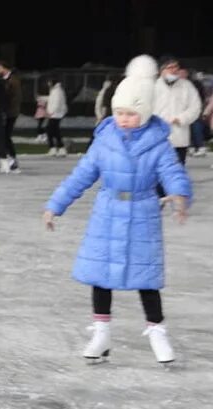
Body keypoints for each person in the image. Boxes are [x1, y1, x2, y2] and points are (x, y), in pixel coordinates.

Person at [43, 55, 192, 366]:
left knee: (146, 278)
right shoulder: (105, 140)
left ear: (146, 112)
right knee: (101, 276)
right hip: (107, 212)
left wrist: (179, 193)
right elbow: (81, 175)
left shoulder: (158, 142)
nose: (124, 119)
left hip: (143, 213)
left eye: (132, 114)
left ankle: (156, 331)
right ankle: (101, 334)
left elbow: (172, 172)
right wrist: (56, 205)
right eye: (120, 112)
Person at [45, 76, 68, 156]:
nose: (48, 84)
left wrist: (50, 112)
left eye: (49, 82)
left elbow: (57, 103)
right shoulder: (55, 90)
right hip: (55, 114)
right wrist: (43, 99)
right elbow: (52, 100)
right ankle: (59, 148)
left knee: (50, 131)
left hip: (56, 114)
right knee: (55, 131)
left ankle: (54, 148)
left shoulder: (57, 91)